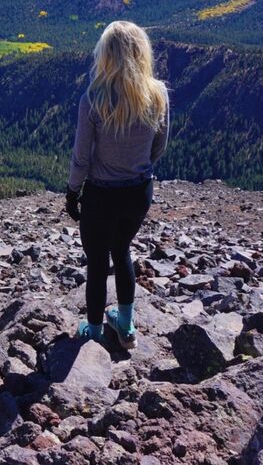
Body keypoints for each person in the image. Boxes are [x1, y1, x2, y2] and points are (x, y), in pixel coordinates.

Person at [65, 21, 169, 349]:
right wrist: (139, 167)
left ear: (105, 54)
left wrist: (72, 191)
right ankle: (126, 325)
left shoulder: (93, 99)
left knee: (96, 261)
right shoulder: (158, 94)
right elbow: (159, 144)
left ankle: (94, 331)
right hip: (138, 192)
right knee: (122, 250)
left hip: (100, 195)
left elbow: (81, 157)